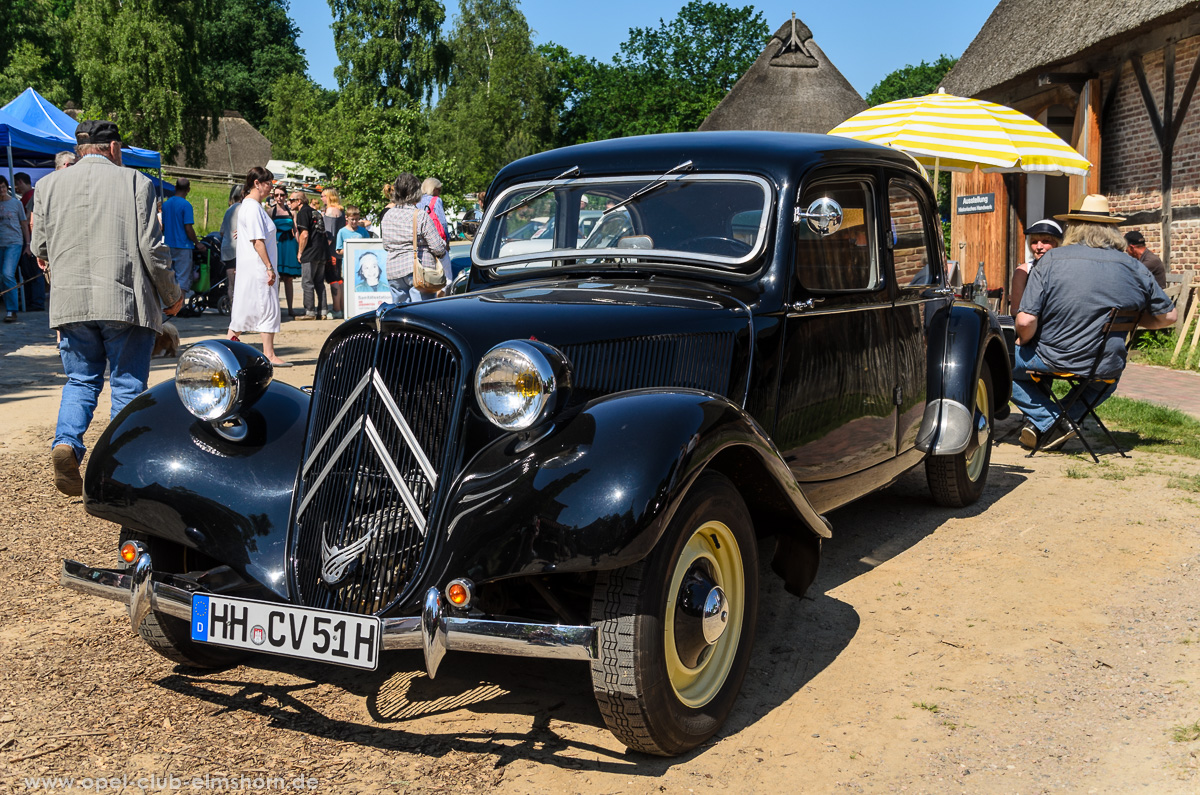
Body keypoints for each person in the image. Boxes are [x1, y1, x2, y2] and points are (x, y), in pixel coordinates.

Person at [30, 120, 183, 495]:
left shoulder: (47, 186)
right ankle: (118, 471)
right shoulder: (135, 182)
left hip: (70, 301)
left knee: (81, 380)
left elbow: (40, 248)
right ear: (113, 148)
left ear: (80, 149)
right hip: (123, 300)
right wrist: (172, 295)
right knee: (128, 385)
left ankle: (66, 444)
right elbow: (152, 249)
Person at [1011, 195, 1177, 451]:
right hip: (1106, 364)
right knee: (1103, 383)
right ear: (1112, 230)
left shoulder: (1052, 261)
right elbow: (1169, 316)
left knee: (1002, 364)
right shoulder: (1134, 266)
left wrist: (1023, 339)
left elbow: (1025, 319)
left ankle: (1049, 420)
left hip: (1054, 358)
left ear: (1074, 227)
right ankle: (1062, 423)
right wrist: (1133, 321)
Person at [228, 166, 289, 367]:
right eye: (268, 184)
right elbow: (258, 240)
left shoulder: (249, 206)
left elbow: (252, 234)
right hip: (259, 266)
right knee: (266, 307)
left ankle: (229, 347)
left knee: (246, 307)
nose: (271, 189)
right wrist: (269, 267)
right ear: (257, 183)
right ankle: (269, 353)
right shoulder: (253, 207)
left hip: (253, 265)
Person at [381, 172, 447, 304]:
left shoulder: (387, 215)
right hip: (419, 271)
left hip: (394, 270)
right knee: (421, 313)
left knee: (400, 314)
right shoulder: (420, 215)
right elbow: (438, 247)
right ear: (415, 192)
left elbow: (386, 245)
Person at [1010, 219, 1063, 314]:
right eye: (1034, 242)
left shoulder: (1067, 269)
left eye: (1046, 241)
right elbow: (1015, 310)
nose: (1039, 247)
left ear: (1057, 243)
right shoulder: (1023, 271)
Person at [291, 189, 328, 319]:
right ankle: (323, 311)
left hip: (310, 252)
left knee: (307, 282)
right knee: (319, 282)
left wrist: (300, 252)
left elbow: (304, 234)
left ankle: (310, 312)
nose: (289, 203)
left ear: (298, 201)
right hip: (322, 251)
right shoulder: (315, 212)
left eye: (291, 200)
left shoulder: (303, 212)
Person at [0, 174, 31, 322]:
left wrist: (28, 244)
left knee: (7, 274)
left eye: (3, 187)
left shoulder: (16, 203)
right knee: (2, 277)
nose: (2, 190)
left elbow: (24, 224)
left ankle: (11, 310)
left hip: (14, 243)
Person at [161, 177, 199, 296]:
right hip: (184, 246)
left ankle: (171, 305)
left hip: (168, 245)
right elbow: (188, 228)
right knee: (182, 278)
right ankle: (179, 307)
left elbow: (163, 226)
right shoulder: (186, 205)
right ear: (188, 190)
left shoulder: (166, 205)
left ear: (175, 187)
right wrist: (197, 243)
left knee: (171, 277)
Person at [267, 185, 300, 316]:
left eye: (281, 195)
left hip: (289, 244)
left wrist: (299, 249)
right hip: (276, 244)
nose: (279, 198)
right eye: (276, 195)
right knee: (276, 277)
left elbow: (296, 230)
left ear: (286, 196)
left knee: (289, 279)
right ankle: (276, 309)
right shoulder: (270, 212)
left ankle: (291, 308)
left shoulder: (292, 212)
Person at [321, 189, 346, 319]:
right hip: (340, 250)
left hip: (331, 251)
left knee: (333, 279)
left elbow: (329, 235)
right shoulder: (341, 211)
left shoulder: (330, 211)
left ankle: (336, 309)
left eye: (323, 196)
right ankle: (341, 307)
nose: (321, 198)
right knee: (339, 279)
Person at [219, 184, 245, 305]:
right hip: (239, 248)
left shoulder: (229, 210)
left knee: (231, 282)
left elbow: (222, 232)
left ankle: (231, 303)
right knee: (240, 280)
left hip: (227, 248)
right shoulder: (243, 209)